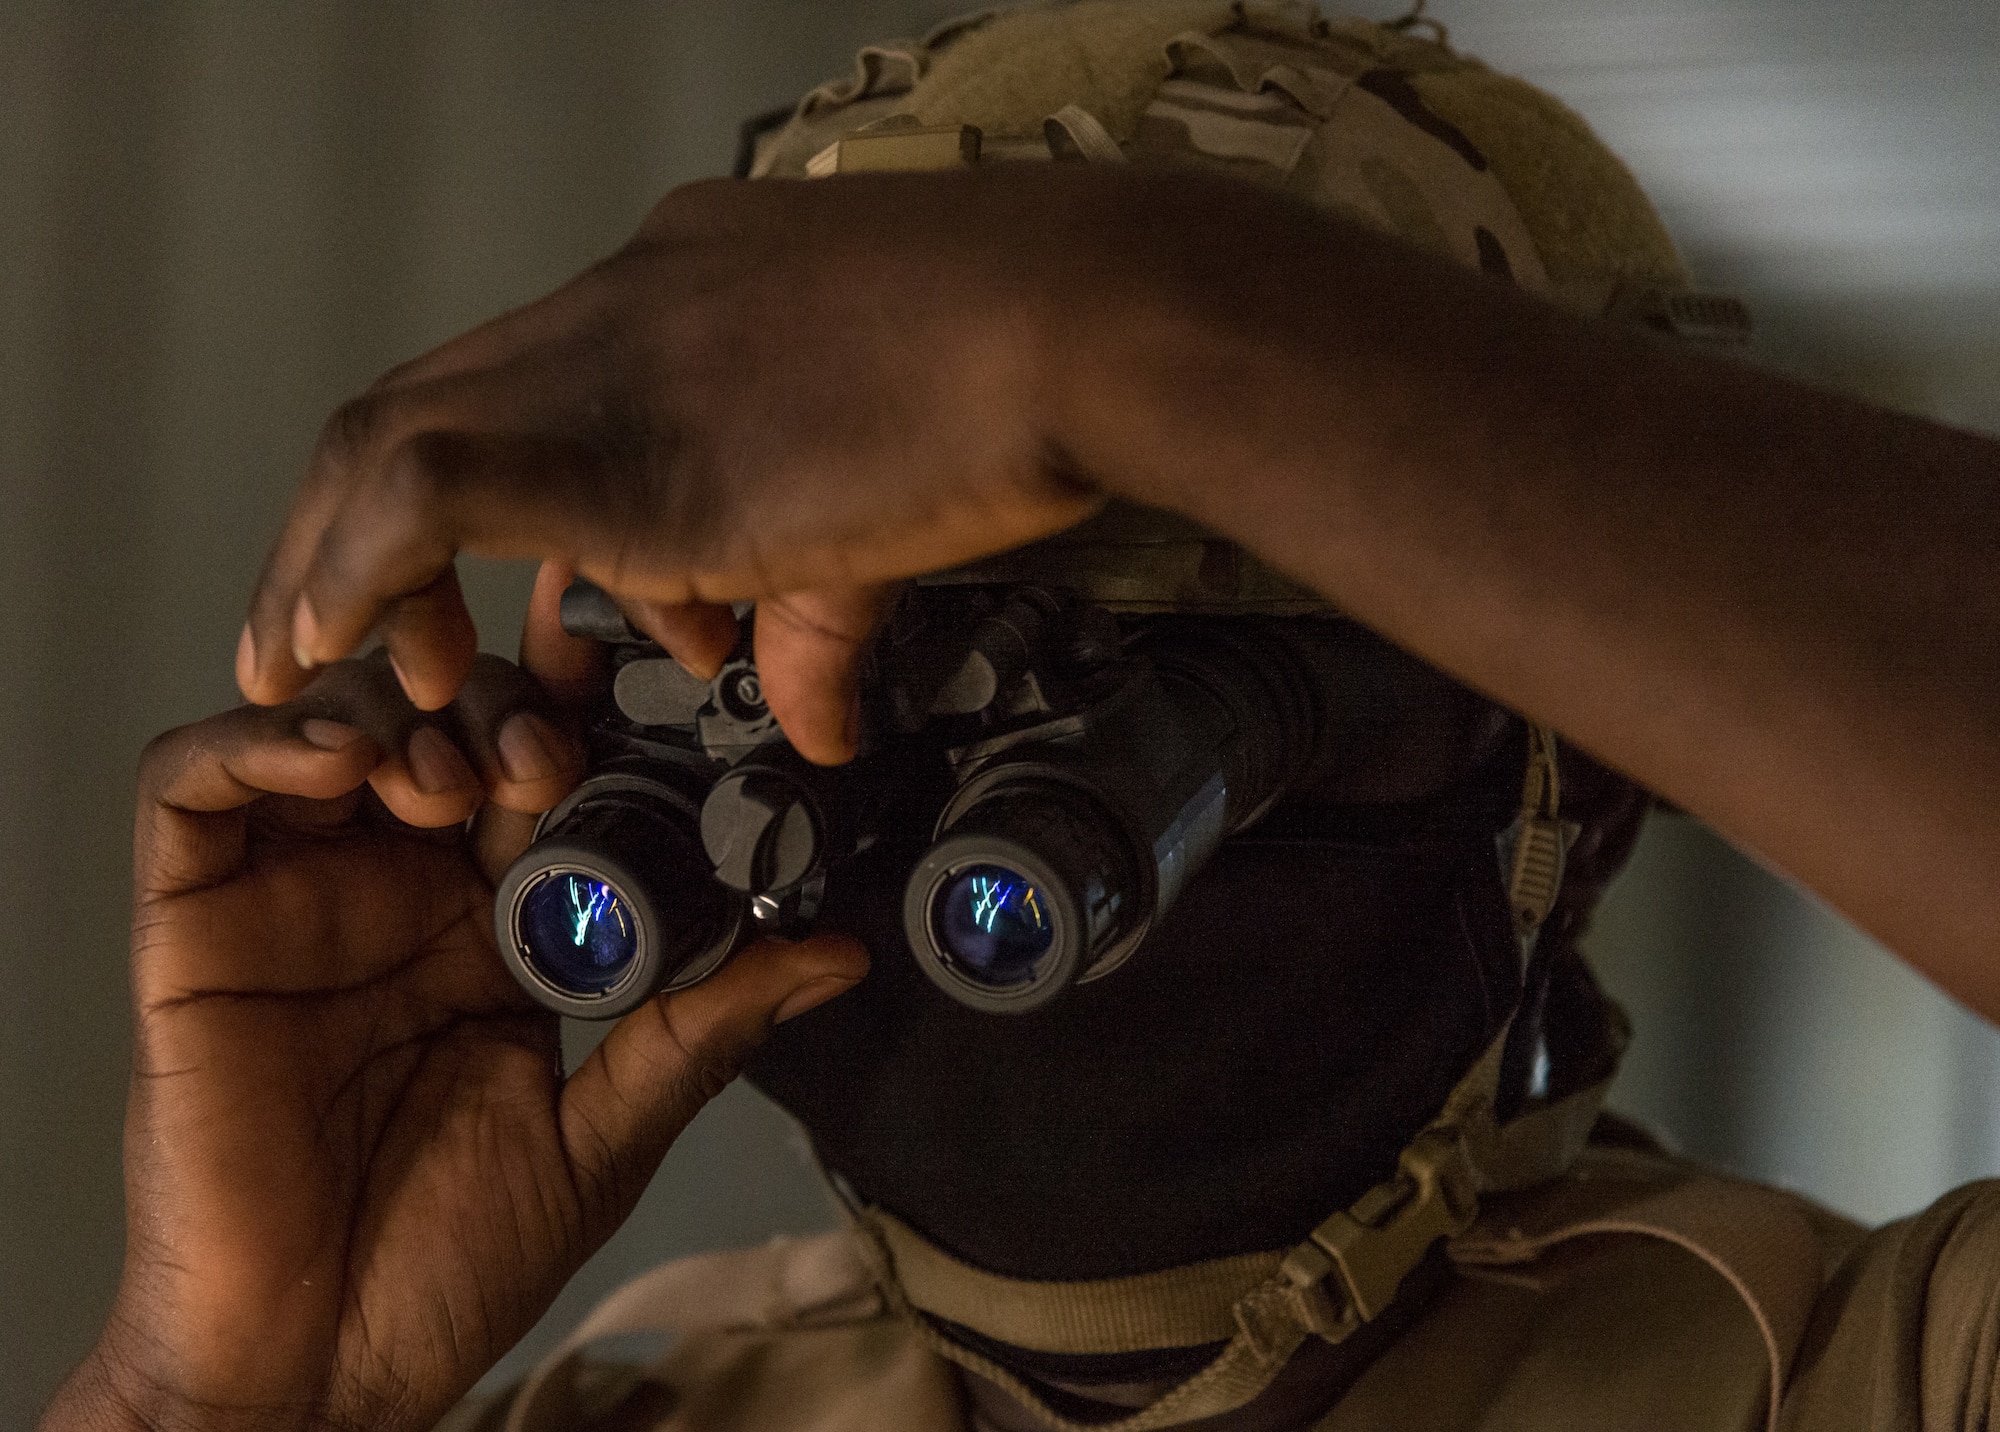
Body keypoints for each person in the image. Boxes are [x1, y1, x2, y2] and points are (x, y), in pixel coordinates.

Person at [39, 3, 2000, 1430]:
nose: (962, 804)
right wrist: (216, 1387)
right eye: (846, 666)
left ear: (1585, 781)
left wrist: (1106, 329)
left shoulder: (1879, 1375)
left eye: (1186, 689)